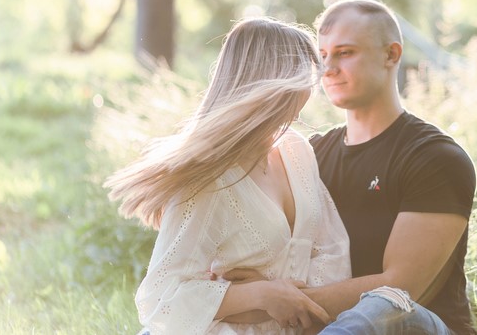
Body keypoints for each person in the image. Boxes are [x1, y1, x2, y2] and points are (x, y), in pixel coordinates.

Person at [224, 0, 477, 334]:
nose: (328, 69)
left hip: (412, 325)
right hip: (319, 324)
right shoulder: (306, 155)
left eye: (345, 53)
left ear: (391, 54)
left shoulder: (435, 158)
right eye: (323, 56)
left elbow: (401, 287)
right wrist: (255, 294)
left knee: (380, 306)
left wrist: (279, 300)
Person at [103, 17, 351, 334]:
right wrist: (258, 295)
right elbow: (160, 299)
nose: (312, 89)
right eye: (305, 77)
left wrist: (288, 296)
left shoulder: (295, 150)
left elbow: (333, 250)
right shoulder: (208, 178)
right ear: (275, 82)